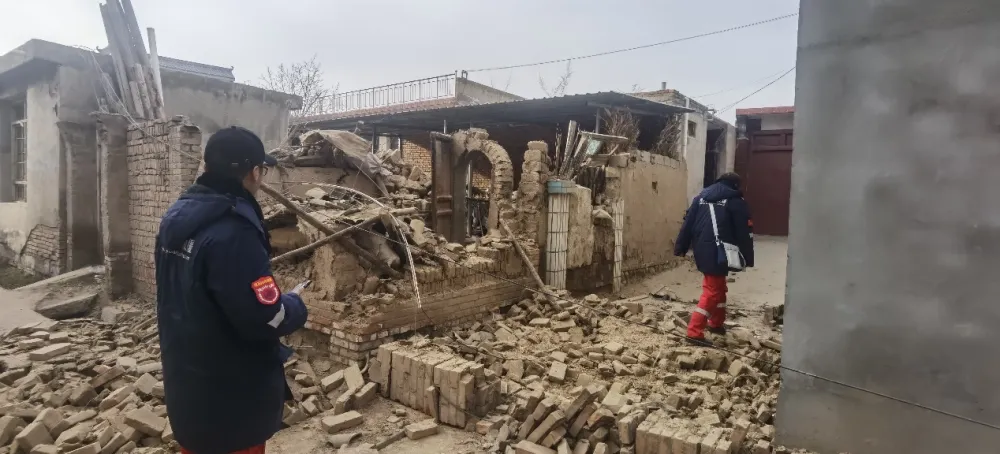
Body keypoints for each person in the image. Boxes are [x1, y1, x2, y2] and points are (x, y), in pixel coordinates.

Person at [155, 126, 309, 454]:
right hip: (231, 402)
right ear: (254, 172)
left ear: (207, 167)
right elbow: (264, 317)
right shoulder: (234, 232)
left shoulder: (177, 218)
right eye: (262, 171)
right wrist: (295, 305)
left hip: (188, 387)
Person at [674, 172, 754, 346]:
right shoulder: (736, 202)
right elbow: (744, 232)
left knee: (718, 286)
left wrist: (681, 246)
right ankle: (694, 332)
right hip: (720, 250)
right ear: (735, 185)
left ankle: (716, 323)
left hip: (702, 249)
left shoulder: (700, 198)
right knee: (712, 291)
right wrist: (747, 257)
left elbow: (687, 224)